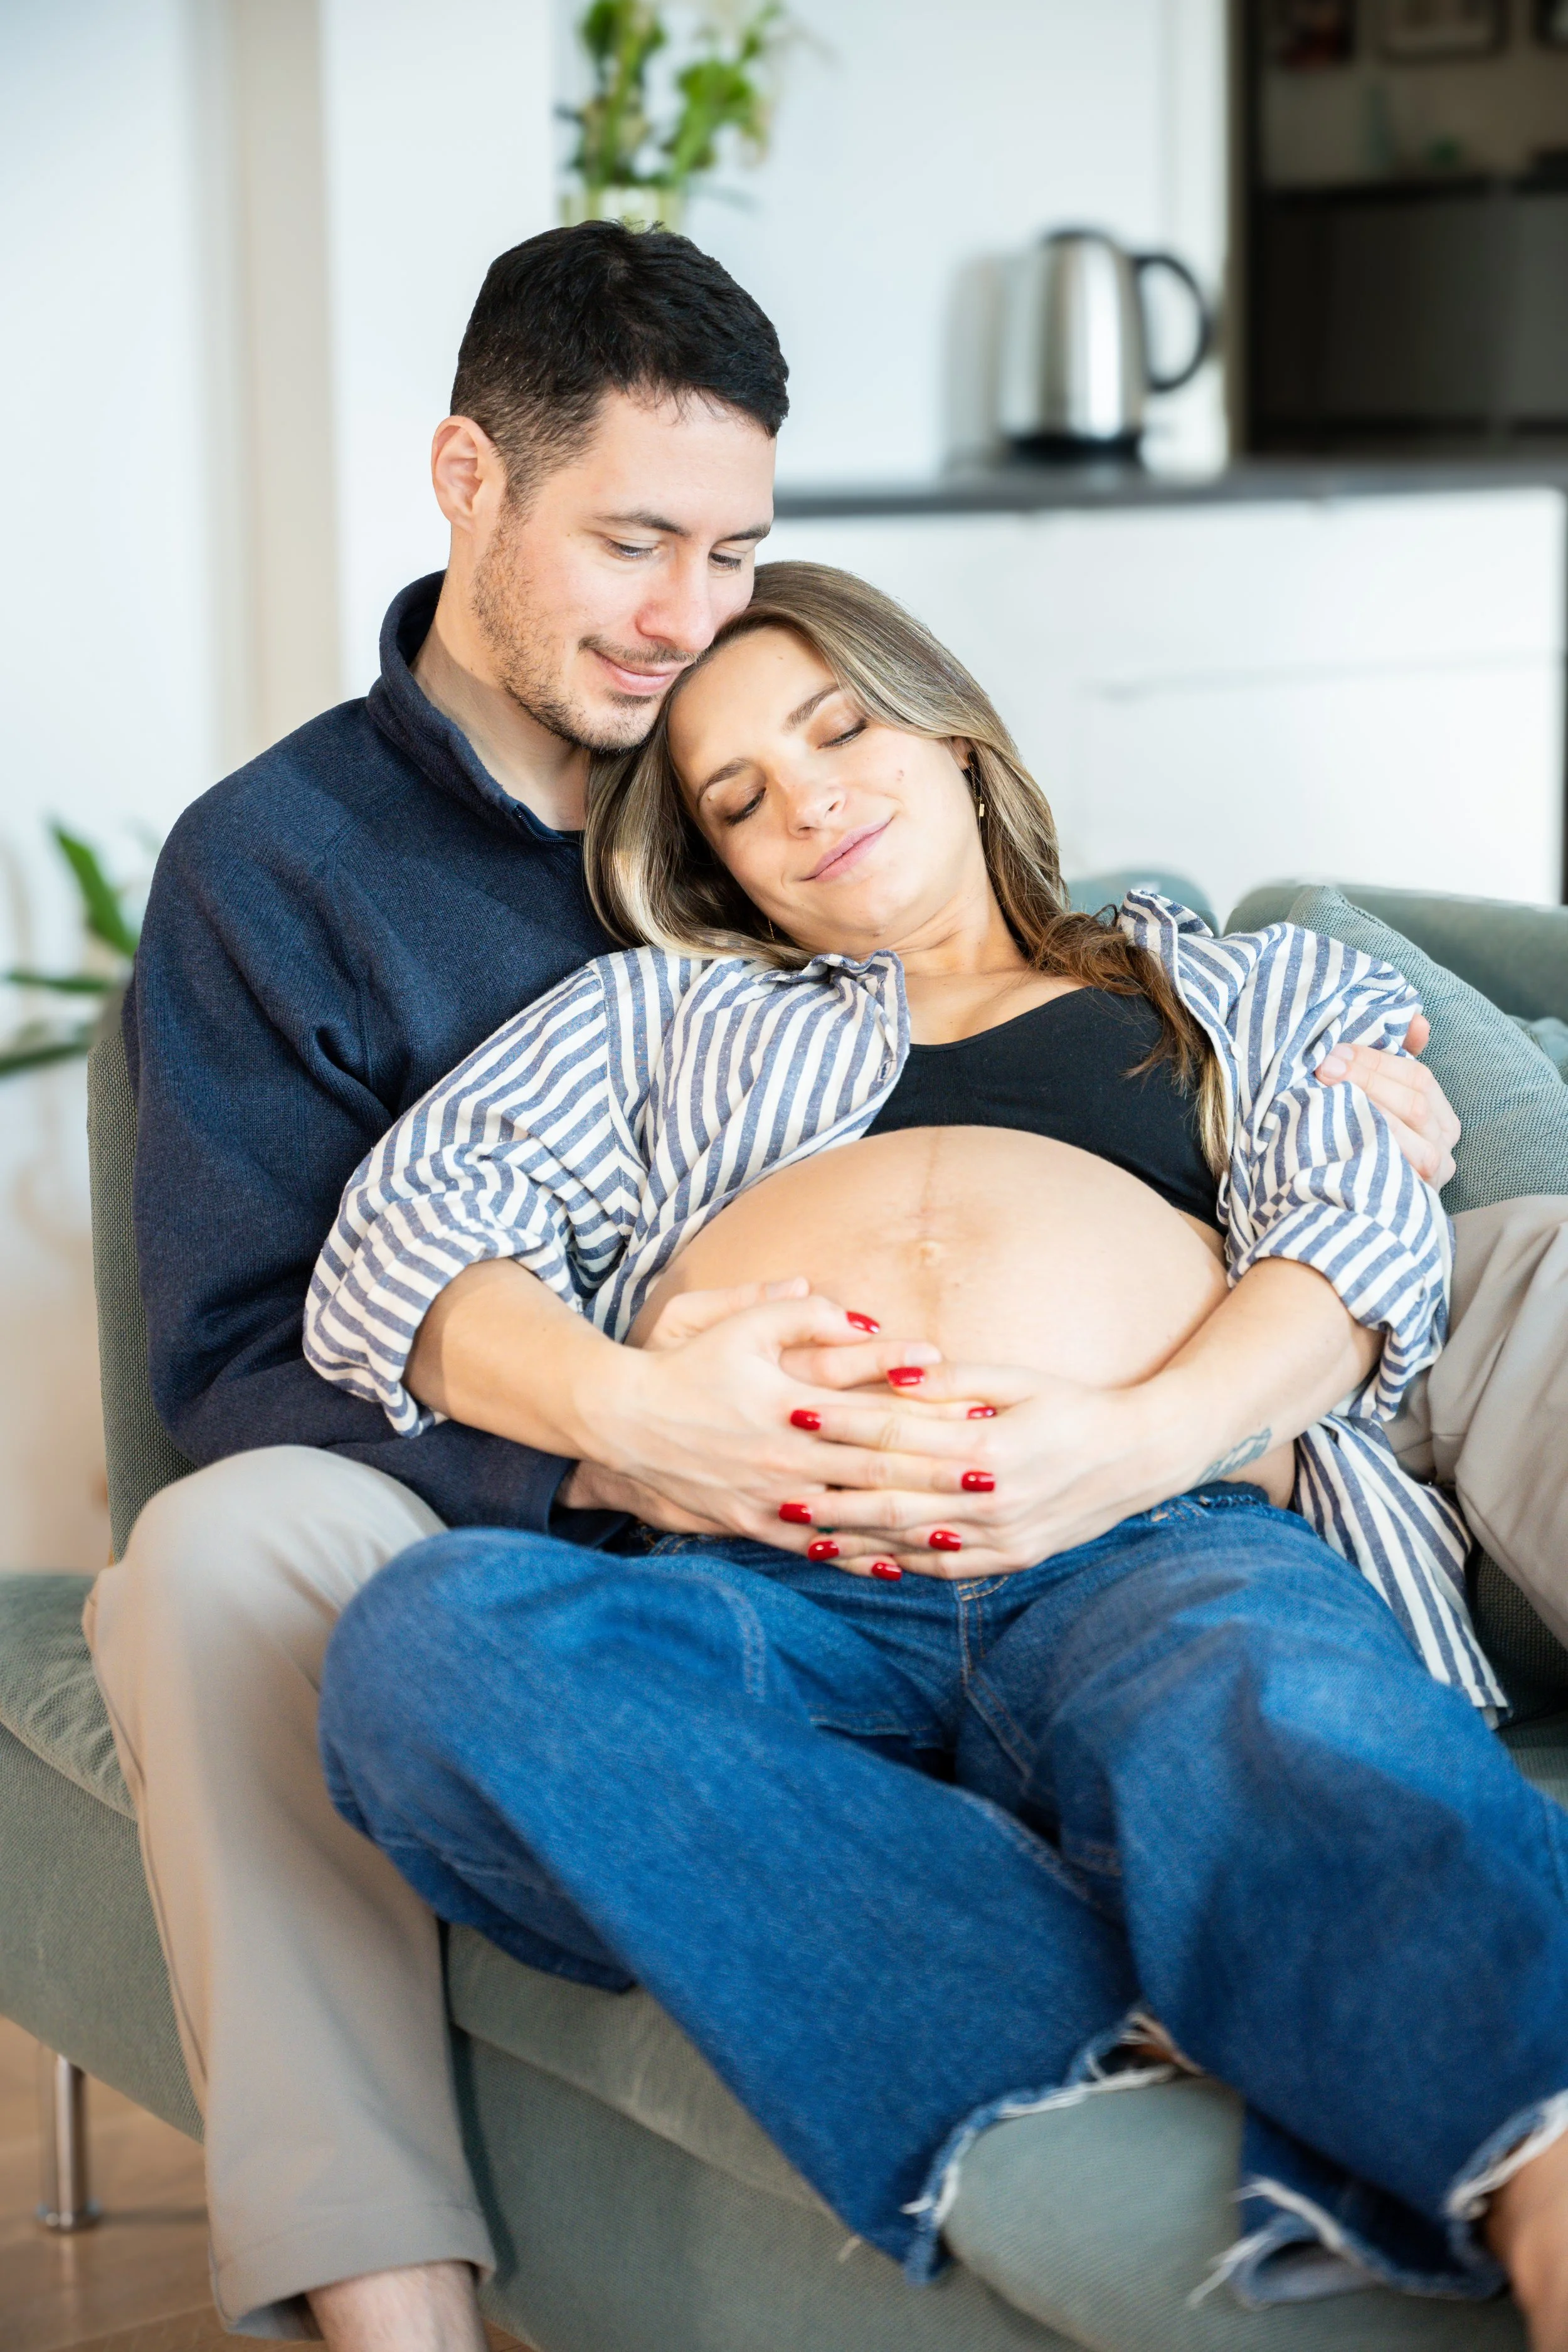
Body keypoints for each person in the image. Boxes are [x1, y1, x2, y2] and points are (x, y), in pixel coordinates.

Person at [82, 219, 1496, 2347]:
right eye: (634, 543)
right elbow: (262, 1331)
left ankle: (1273, 1944)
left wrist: (1322, 1187)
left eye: (735, 553)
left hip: (1119, 1494)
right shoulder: (294, 873)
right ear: (471, 480)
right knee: (257, 1582)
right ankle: (397, 2294)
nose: (686, 627)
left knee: (1353, 1516)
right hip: (572, 1490)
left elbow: (1242, 1111)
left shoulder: (1121, 949)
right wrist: (628, 1447)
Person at [310, 561, 1568, 2341]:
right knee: (433, 1647)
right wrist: (641, 1411)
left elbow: (1356, 1248)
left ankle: (1540, 2179)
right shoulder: (657, 1018)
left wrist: (1129, 1440)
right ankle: (1120, 1966)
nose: (803, 795)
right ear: (716, 865)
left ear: (956, 734)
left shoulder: (1236, 983)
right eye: (737, 797)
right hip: (765, 1579)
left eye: (839, 726)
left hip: (1161, 1537)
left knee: (1294, 1725)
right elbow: (408, 1245)